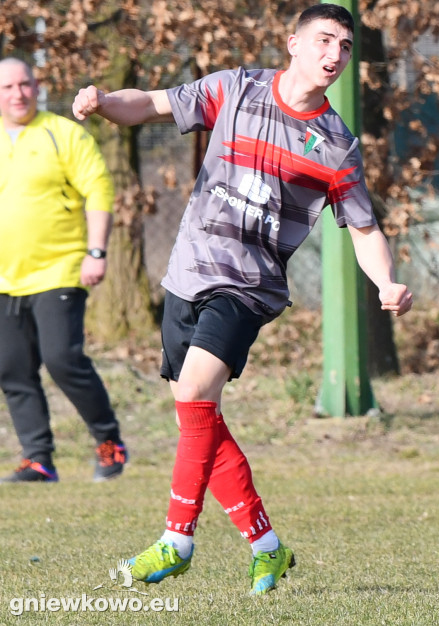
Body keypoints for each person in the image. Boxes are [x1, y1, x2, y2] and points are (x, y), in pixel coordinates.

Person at [72, 4, 412, 595]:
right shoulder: (235, 88)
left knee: (198, 394)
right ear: (293, 44)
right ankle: (267, 547)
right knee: (198, 415)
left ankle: (176, 541)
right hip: (187, 274)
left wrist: (385, 281)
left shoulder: (336, 144)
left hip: (249, 287)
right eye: (325, 40)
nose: (335, 54)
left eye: (346, 46)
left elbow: (364, 230)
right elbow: (151, 104)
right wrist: (103, 101)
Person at [0, 57, 128, 484]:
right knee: (12, 368)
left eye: (24, 84)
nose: (17, 94)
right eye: (7, 87)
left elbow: (98, 188)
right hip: (4, 279)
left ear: (37, 87)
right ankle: (37, 459)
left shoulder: (63, 134)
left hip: (60, 269)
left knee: (62, 359)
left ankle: (109, 442)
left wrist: (96, 251)